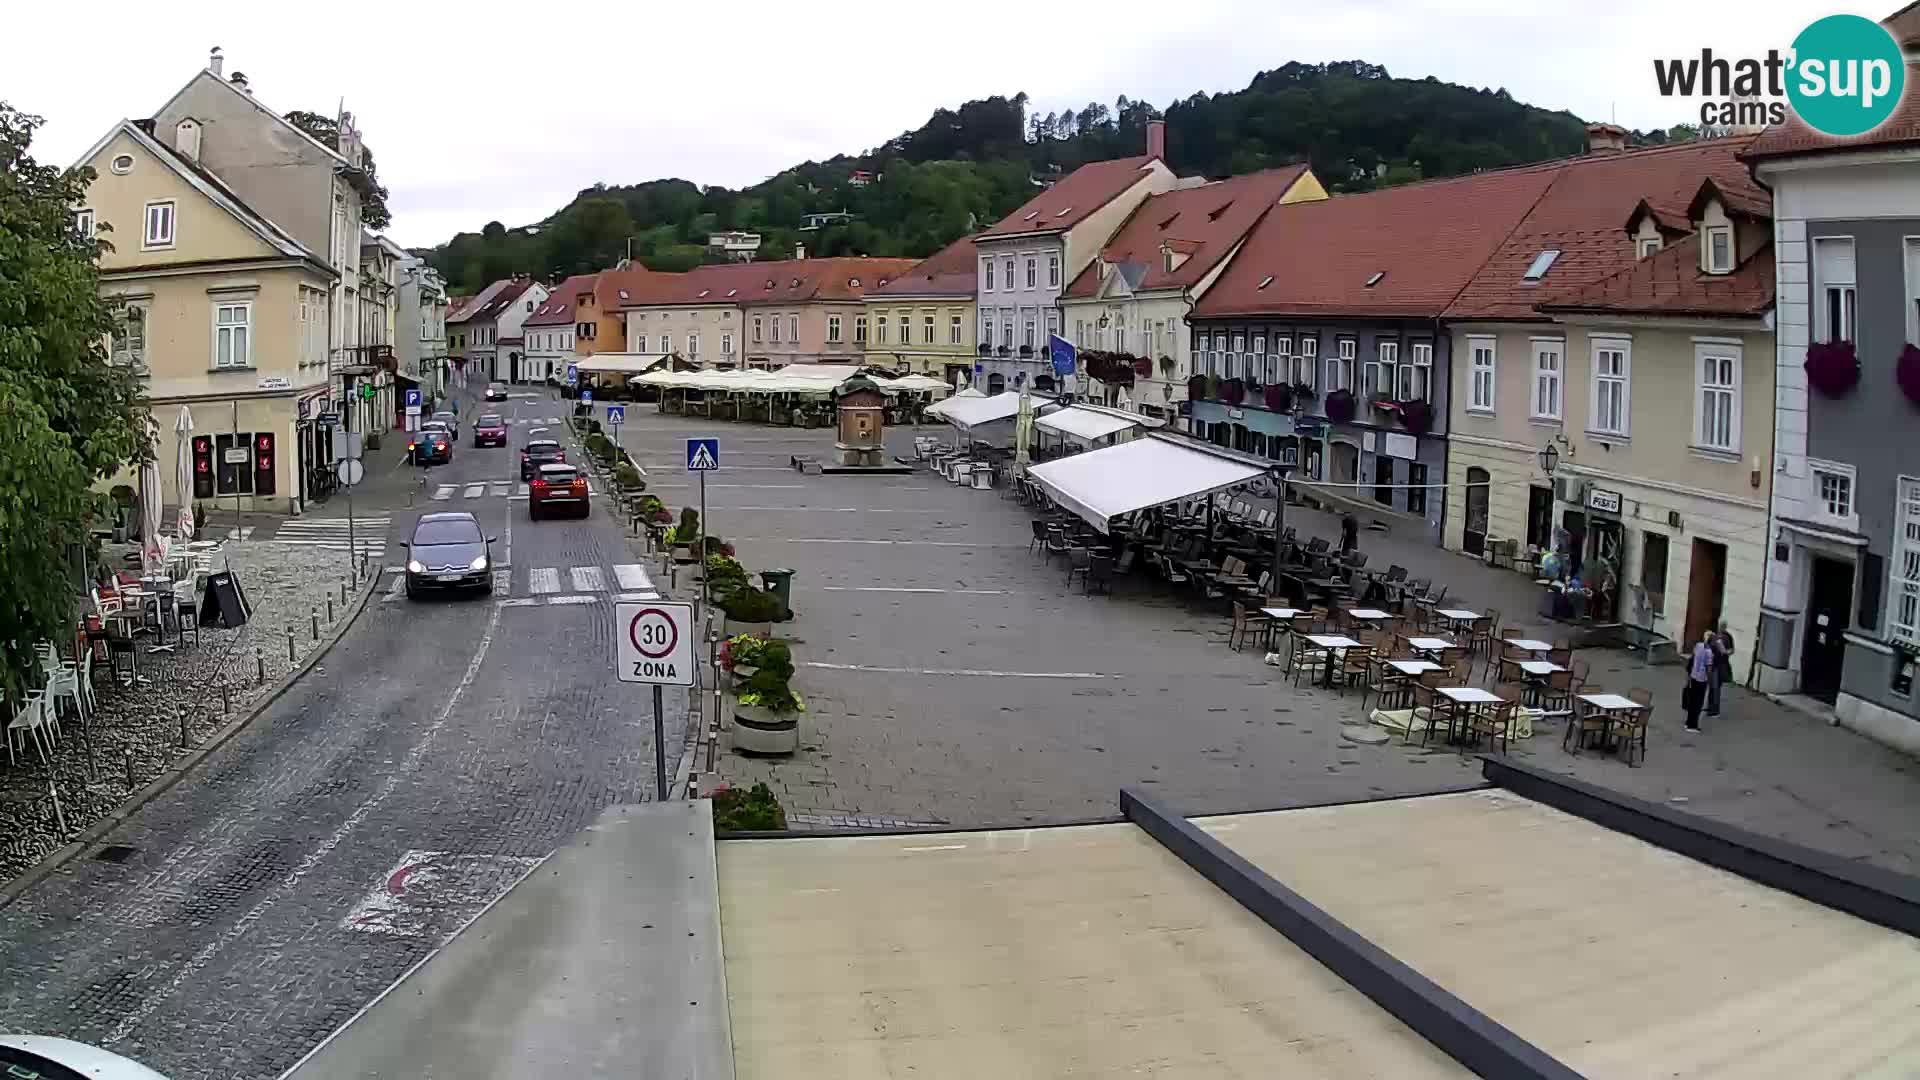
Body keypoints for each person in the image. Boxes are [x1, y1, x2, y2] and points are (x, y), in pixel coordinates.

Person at [1684, 630, 1714, 732]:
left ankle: (1688, 722)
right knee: (1698, 702)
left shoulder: (1698, 646)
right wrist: (1710, 681)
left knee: (1692, 701)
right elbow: (1708, 668)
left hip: (1693, 676)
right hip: (1702, 679)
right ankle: (1693, 725)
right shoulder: (1709, 652)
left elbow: (1692, 659)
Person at [1709, 621, 1736, 717]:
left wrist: (1725, 652)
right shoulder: (1714, 636)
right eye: (1719, 626)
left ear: (1724, 627)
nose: (1720, 627)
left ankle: (1715, 710)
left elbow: (1732, 650)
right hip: (1713, 664)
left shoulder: (1727, 637)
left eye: (1722, 626)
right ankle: (1710, 706)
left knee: (1716, 687)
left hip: (1721, 665)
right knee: (1712, 686)